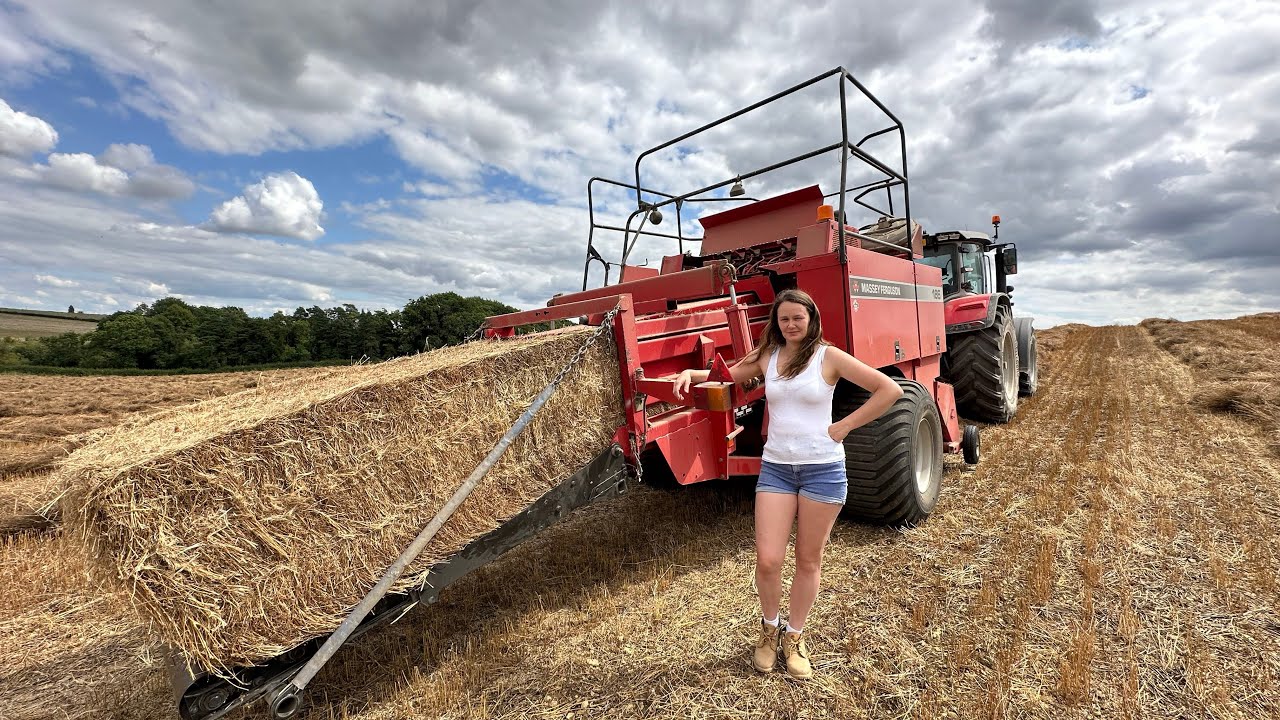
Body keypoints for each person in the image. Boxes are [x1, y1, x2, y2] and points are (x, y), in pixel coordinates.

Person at [673, 288, 902, 679]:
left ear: (811, 318)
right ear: (776, 323)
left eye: (798, 317)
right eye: (784, 319)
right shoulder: (769, 356)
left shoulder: (828, 357)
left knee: (808, 560)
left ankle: (794, 638)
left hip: (823, 470)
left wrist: (843, 427)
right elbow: (726, 376)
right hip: (777, 468)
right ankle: (768, 630)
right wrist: (689, 373)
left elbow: (889, 389)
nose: (791, 324)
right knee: (768, 560)